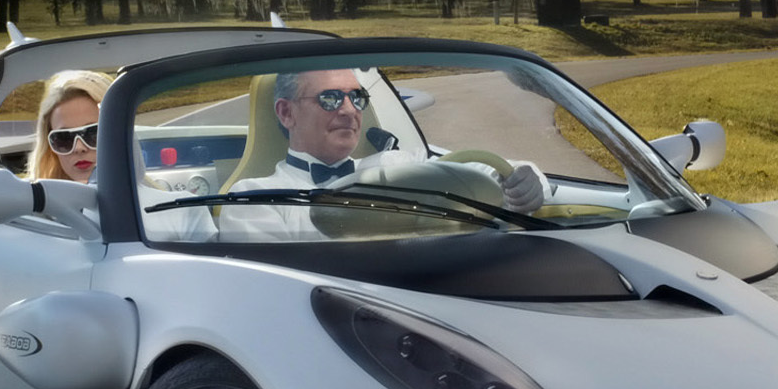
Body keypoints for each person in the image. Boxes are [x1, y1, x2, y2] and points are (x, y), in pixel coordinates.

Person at [218, 67, 545, 241]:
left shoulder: (396, 165)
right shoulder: (253, 199)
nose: (350, 110)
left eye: (357, 98)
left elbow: (489, 170)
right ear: (286, 113)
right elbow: (282, 287)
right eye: (331, 99)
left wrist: (527, 182)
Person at [28, 69, 112, 183]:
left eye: (94, 133)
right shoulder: (35, 194)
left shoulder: (139, 193)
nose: (79, 148)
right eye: (63, 138)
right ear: (50, 148)